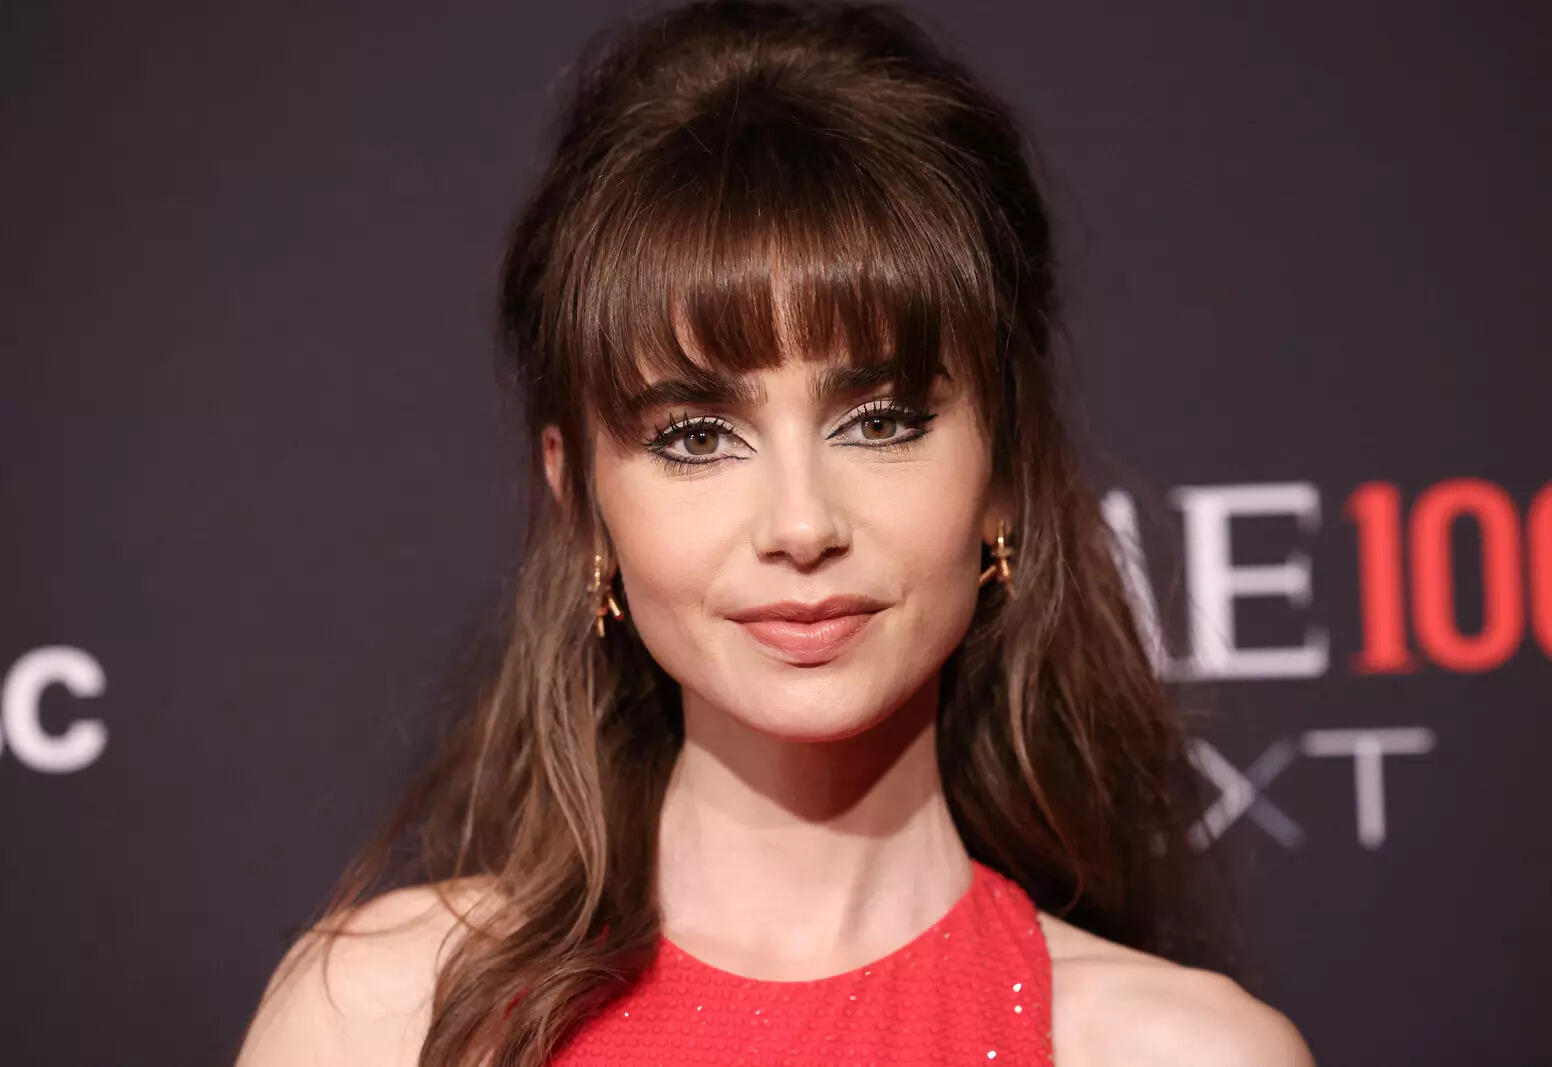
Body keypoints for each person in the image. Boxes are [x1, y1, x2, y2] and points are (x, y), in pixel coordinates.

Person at [236, 1, 1315, 1063]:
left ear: (1003, 472)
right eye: (698, 436)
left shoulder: (1180, 1051)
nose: (802, 524)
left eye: (881, 420)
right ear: (579, 502)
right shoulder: (382, 1019)